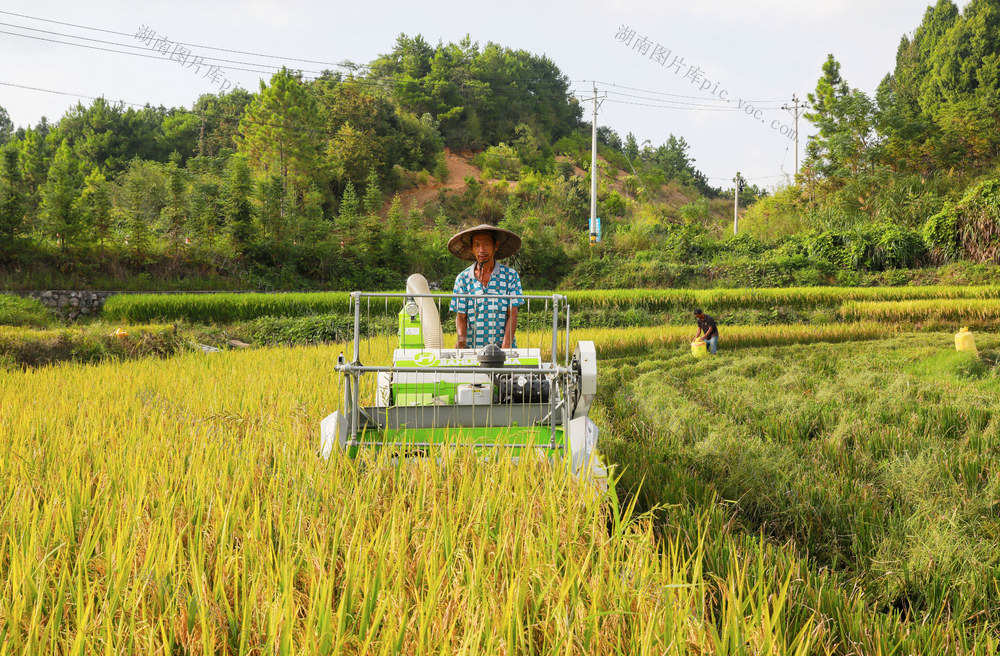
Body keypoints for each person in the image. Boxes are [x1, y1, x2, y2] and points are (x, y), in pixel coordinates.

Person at [448, 224, 523, 349]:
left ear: (496, 246)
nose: (481, 250)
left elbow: (513, 314)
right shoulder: (463, 279)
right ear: (472, 248)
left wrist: (506, 346)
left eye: (486, 244)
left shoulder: (510, 276)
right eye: (477, 245)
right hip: (473, 349)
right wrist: (461, 340)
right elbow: (461, 316)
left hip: (501, 347)